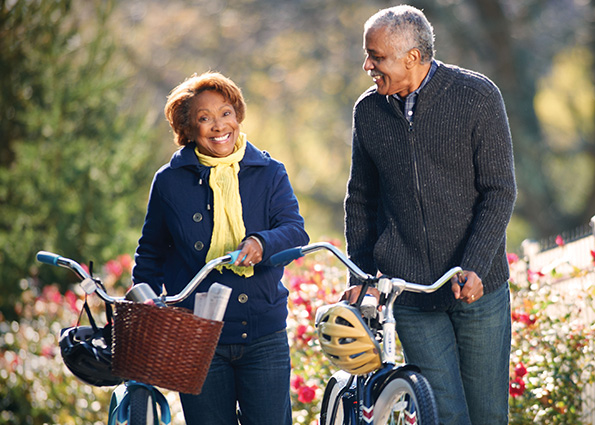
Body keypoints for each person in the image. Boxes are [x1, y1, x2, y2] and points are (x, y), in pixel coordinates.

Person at [343, 5, 516, 425]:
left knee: (488, 413)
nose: (368, 65)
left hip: (478, 288)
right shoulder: (369, 112)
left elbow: (499, 190)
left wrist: (474, 266)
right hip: (412, 295)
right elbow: (361, 201)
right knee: (444, 414)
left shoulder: (477, 96)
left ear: (413, 58)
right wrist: (363, 279)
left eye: (377, 57)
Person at [132, 71, 309, 425]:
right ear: (188, 129)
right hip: (197, 339)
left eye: (226, 113)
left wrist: (262, 242)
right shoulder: (169, 181)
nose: (218, 125)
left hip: (262, 333)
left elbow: (294, 231)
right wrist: (146, 308)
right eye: (204, 118)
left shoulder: (270, 172)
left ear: (238, 116)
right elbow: (149, 255)